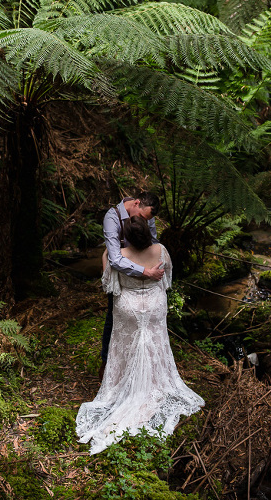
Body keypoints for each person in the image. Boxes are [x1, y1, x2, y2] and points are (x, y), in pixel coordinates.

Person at [76, 216, 205, 454]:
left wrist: (107, 255)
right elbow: (166, 281)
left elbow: (109, 285)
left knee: (125, 345)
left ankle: (125, 388)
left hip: (129, 308)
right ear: (147, 232)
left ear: (125, 235)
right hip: (154, 305)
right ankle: (154, 383)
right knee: (155, 342)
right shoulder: (161, 250)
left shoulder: (117, 256)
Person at [99, 192, 164, 380]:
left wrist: (151, 262)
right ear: (136, 203)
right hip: (122, 275)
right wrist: (146, 272)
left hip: (142, 271)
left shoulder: (147, 216)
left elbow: (153, 241)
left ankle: (139, 367)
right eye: (144, 218)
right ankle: (107, 363)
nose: (145, 222)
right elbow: (115, 258)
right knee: (113, 317)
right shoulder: (112, 218)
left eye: (148, 220)